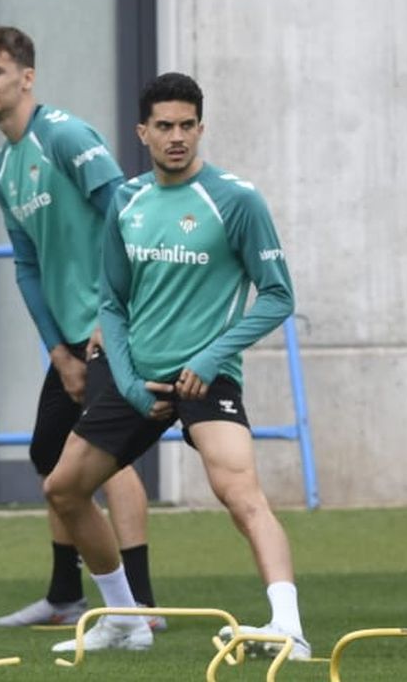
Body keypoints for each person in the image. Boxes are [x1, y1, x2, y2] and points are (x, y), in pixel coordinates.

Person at [40, 73, 304, 656]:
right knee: (63, 489)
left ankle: (289, 627)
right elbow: (112, 301)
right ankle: (126, 619)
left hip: (207, 380)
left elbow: (280, 295)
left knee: (242, 493)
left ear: (201, 129)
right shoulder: (127, 203)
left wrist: (212, 357)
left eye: (187, 125)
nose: (177, 136)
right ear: (143, 133)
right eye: (164, 126)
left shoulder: (237, 199)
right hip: (140, 380)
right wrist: (130, 384)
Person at [0, 26, 160, 629]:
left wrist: (111, 314)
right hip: (73, 337)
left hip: (117, 326)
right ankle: (66, 596)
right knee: (52, 456)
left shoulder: (64, 135)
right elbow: (27, 267)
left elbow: (129, 211)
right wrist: (57, 349)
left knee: (102, 459)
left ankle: (142, 607)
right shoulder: (3, 168)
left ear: (27, 77)